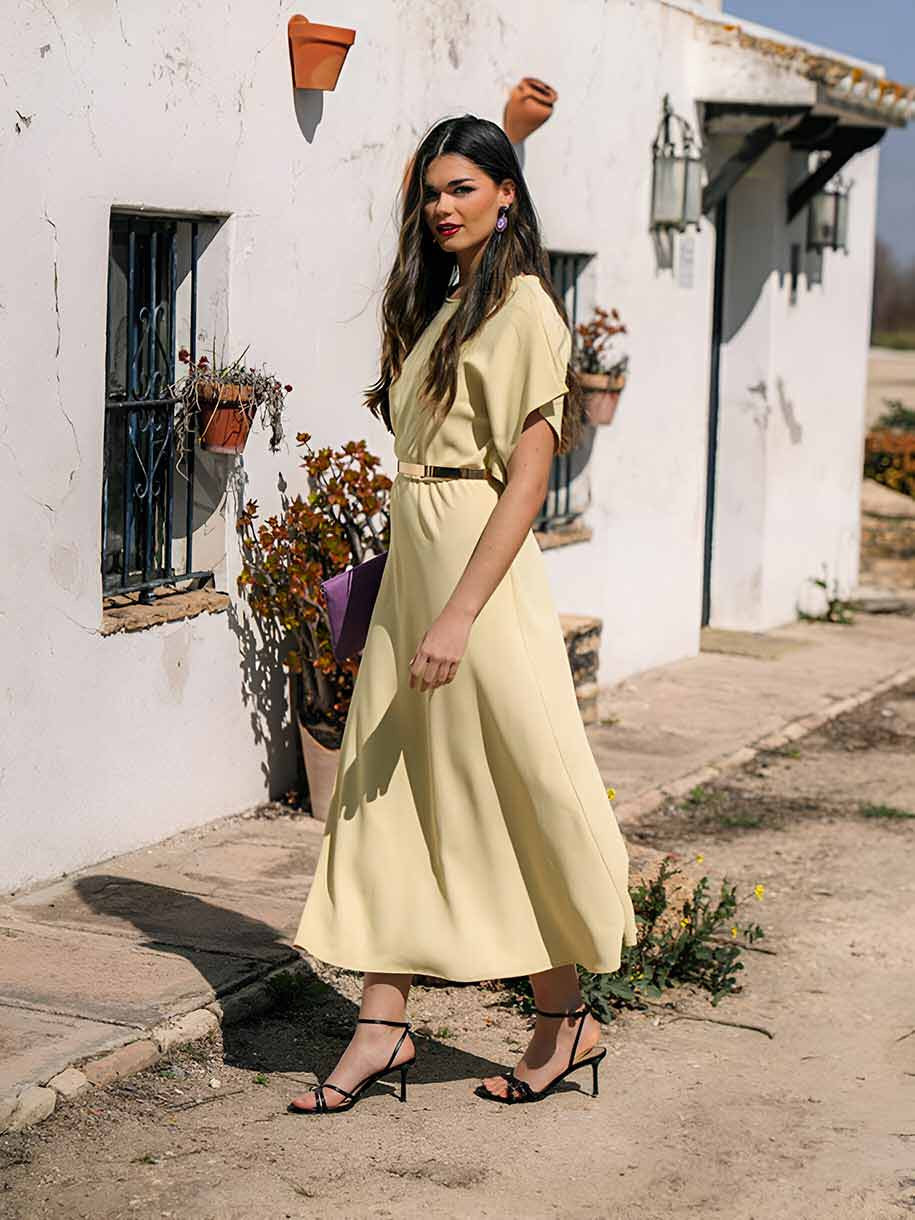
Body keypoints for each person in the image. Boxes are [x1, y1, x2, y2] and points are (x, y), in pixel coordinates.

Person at [288, 114, 638, 1114]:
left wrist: (457, 612)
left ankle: (564, 1014)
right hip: (418, 576)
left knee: (509, 794)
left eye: (464, 189)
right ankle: (380, 1025)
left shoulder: (528, 307)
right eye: (432, 191)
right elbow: (430, 463)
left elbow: (526, 482)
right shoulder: (442, 300)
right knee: (389, 799)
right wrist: (414, 593)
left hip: (476, 590)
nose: (441, 206)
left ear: (507, 195)